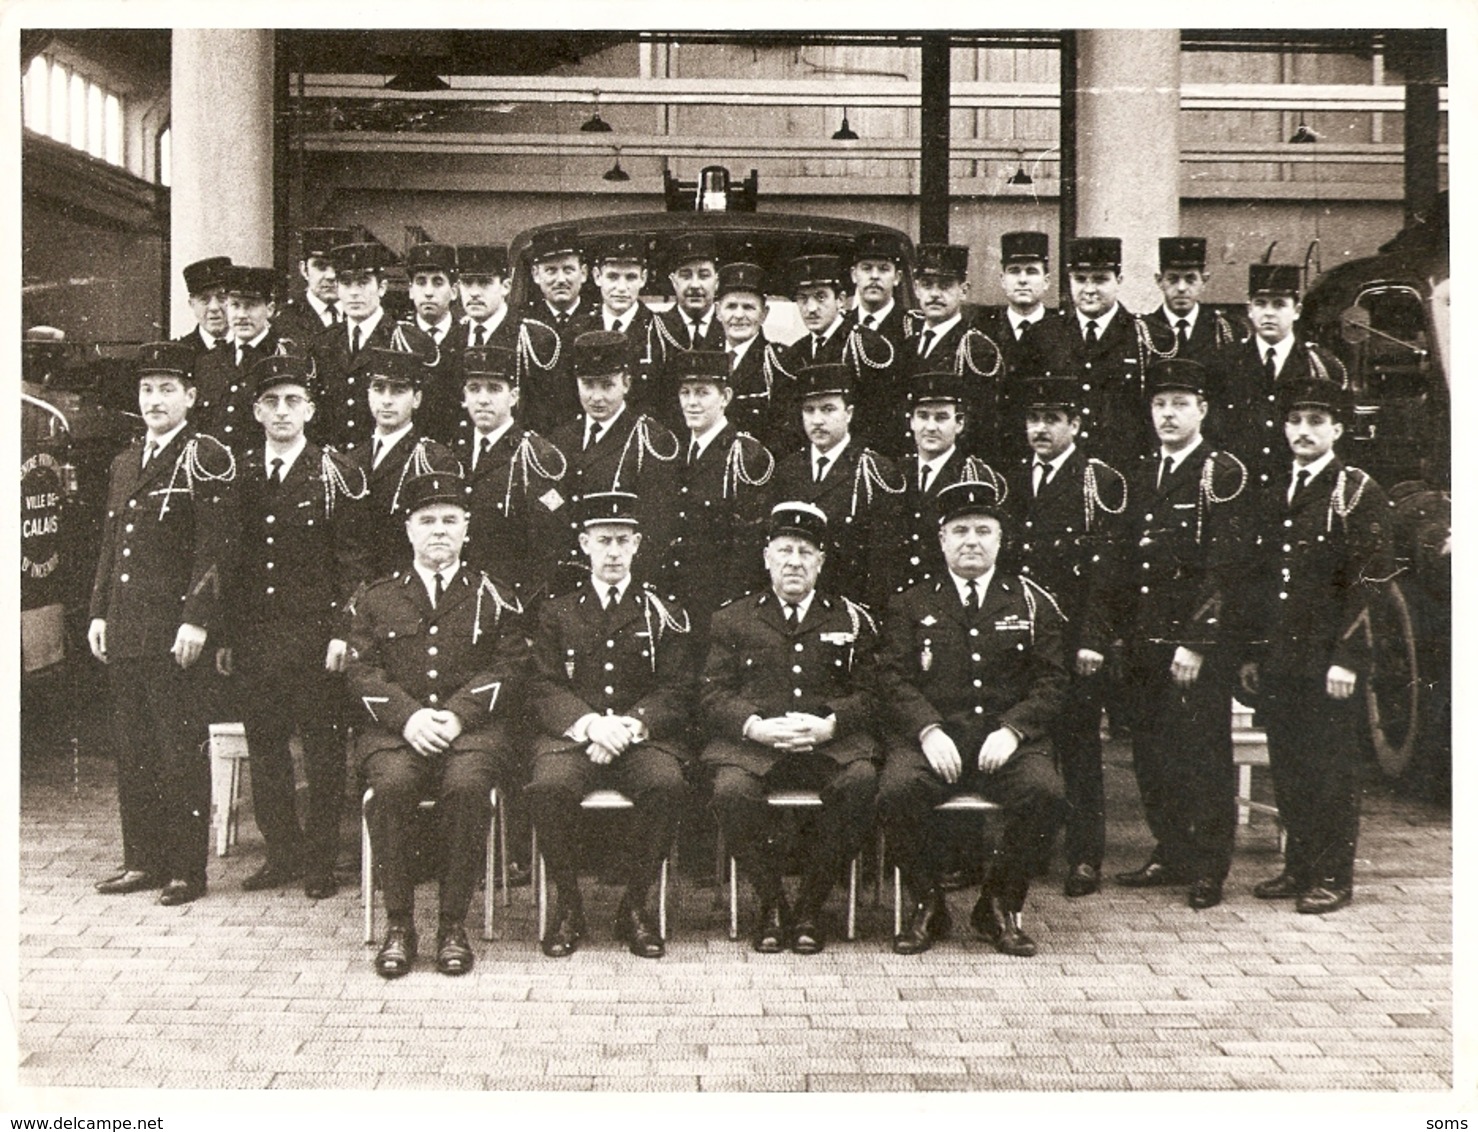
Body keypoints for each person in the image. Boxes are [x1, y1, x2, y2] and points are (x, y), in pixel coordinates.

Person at [346, 470, 529, 978]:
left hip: (469, 733)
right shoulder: (376, 597)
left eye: (450, 520)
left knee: (469, 787)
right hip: (394, 734)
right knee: (392, 787)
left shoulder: (494, 594)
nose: (439, 530)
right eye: (427, 521)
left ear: (467, 527)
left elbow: (509, 667)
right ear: (408, 530)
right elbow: (360, 671)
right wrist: (408, 718)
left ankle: (453, 925)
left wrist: (457, 715)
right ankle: (400, 925)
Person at [876, 479, 1067, 956]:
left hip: (1006, 742)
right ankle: (928, 902)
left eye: (983, 530)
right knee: (894, 791)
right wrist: (926, 729)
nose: (971, 541)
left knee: (1046, 793)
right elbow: (892, 679)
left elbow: (1054, 681)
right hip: (936, 740)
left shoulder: (1029, 601)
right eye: (959, 530)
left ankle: (998, 903)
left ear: (1000, 539)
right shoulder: (910, 603)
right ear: (942, 540)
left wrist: (1014, 729)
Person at [215, 352, 370, 899]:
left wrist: (342, 632)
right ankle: (281, 852)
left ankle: (321, 861)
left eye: (293, 402)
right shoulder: (241, 471)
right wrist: (229, 635)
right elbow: (230, 559)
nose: (282, 412)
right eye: (272, 402)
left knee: (324, 752)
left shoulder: (336, 472)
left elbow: (354, 563)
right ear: (257, 411)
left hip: (314, 639)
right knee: (266, 748)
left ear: (310, 408)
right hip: (256, 636)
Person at [88, 341, 237, 907]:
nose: (155, 400)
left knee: (178, 749)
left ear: (191, 397)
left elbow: (215, 549)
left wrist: (197, 621)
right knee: (133, 748)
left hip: (173, 630)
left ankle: (184, 870)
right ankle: (141, 860)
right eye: (147, 389)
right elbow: (110, 543)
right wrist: (99, 611)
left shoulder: (206, 456)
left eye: (167, 389)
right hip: (126, 626)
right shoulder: (127, 462)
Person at [1240, 378, 1395, 915]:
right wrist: (1255, 654)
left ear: (1337, 429)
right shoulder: (1277, 487)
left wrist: (1348, 658)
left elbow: (1371, 583)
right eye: (1295, 421)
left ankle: (1333, 876)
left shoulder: (1355, 490)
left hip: (1329, 662)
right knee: (1289, 765)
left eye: (1316, 422)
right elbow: (1264, 583)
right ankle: (1299, 866)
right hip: (1283, 658)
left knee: (1331, 770)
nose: (1303, 432)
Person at [701, 502, 881, 955]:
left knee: (860, 781)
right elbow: (711, 694)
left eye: (805, 552)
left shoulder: (852, 619)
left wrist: (831, 725)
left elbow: (873, 693)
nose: (794, 562)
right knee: (729, 791)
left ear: (821, 561)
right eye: (785, 550)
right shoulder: (733, 619)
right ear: (767, 557)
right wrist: (753, 726)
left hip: (828, 746)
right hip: (760, 746)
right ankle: (772, 903)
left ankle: (810, 906)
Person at [526, 491, 694, 959]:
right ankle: (569, 904)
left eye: (623, 540)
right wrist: (588, 726)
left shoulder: (663, 612)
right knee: (547, 788)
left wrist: (629, 726)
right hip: (575, 740)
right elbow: (542, 685)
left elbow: (678, 688)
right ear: (584, 544)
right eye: (604, 541)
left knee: (667, 784)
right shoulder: (555, 611)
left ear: (638, 544)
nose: (614, 551)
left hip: (638, 740)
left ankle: (635, 906)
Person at [1116, 359, 1254, 911]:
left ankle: (1208, 865)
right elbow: (1131, 562)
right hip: (1147, 641)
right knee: (1152, 753)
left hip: (1195, 646)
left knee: (1202, 753)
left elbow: (1228, 567)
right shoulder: (1143, 470)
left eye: (1179, 404)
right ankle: (1171, 849)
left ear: (1203, 410)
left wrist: (1197, 641)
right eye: (1159, 405)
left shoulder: (1221, 472)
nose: (1168, 414)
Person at [1004, 376, 1128, 896]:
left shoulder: (1096, 481)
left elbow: (1107, 573)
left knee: (1079, 750)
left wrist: (1094, 639)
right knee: (1027, 746)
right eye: (1034, 419)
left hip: (1076, 641)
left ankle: (1084, 857)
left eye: (1053, 420)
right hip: (1024, 638)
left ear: (1075, 425)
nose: (1041, 429)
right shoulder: (1011, 479)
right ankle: (1030, 850)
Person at [1018, 236, 1178, 471]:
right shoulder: (1043, 336)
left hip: (1127, 469)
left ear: (1119, 280)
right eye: (1080, 279)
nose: (1089, 289)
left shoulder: (1151, 337)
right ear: (1069, 280)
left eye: (1100, 280)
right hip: (1062, 470)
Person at [662, 347, 774, 658]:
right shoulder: (676, 452)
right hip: (678, 599)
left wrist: (730, 609)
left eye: (702, 392)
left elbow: (750, 546)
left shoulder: (746, 456)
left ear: (724, 397)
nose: (692, 402)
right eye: (685, 392)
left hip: (720, 606)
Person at [548, 330, 680, 592]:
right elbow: (553, 508)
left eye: (607, 385)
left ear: (626, 383)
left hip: (622, 580)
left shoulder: (650, 441)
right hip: (567, 581)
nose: (597, 397)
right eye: (588, 385)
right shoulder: (560, 438)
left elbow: (656, 524)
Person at [768, 364, 904, 611]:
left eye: (828, 409)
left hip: (848, 605)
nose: (817, 420)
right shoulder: (787, 470)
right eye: (809, 410)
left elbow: (883, 561)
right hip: (795, 606)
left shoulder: (876, 471)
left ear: (849, 413)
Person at [452, 344, 569, 612]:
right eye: (474, 388)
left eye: (494, 389)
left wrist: (522, 613)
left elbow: (550, 547)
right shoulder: (452, 452)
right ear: (464, 396)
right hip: (459, 605)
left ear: (513, 396)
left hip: (509, 606)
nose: (483, 399)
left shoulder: (537, 457)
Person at [1212, 264, 1349, 490]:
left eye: (1279, 304)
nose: (1269, 313)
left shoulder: (1322, 366)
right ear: (1249, 309)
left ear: (1297, 310)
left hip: (1295, 492)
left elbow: (1337, 441)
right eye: (1261, 303)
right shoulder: (1224, 364)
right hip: (1239, 492)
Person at [349, 347, 463, 581]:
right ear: (368, 394)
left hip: (406, 585)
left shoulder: (433, 459)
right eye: (379, 389)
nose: (387, 400)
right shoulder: (351, 459)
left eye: (398, 391)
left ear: (417, 399)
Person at [310, 242, 437, 452]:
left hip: (389, 461)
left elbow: (428, 415)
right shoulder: (324, 342)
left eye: (362, 283)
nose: (354, 293)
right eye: (346, 283)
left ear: (382, 287)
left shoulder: (410, 341)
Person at [896, 372, 1001, 592]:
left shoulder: (974, 476)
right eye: (923, 416)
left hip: (947, 598)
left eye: (941, 417)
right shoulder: (894, 474)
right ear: (911, 422)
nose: (931, 427)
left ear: (959, 423)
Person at [904, 244, 1005, 460]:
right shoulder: (907, 344)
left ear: (963, 290)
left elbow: (980, 427)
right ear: (916, 289)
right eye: (927, 285)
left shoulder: (976, 350)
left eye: (945, 286)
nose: (935, 294)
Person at [454, 243, 561, 438]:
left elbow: (547, 416)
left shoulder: (533, 339)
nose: (475, 292)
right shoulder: (454, 336)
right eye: (467, 283)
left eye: (485, 283)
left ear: (505, 287)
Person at [194, 265, 284, 450]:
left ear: (270, 309)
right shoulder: (208, 361)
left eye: (251, 306)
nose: (242, 315)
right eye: (235, 305)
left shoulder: (283, 358)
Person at [569, 235, 657, 411]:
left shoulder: (661, 332)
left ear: (643, 278)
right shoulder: (576, 330)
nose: (621, 287)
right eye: (613, 277)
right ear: (597, 276)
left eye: (631, 277)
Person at [522, 225, 589, 431]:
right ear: (535, 274)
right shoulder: (522, 323)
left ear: (584, 273)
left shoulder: (599, 322)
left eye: (568, 270)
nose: (561, 280)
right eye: (551, 270)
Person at [714, 261, 786, 451]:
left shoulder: (779, 363)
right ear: (717, 312)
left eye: (748, 307)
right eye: (731, 306)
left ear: (764, 314)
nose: (738, 315)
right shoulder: (705, 358)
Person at [1144, 237, 1240, 365]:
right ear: (1159, 281)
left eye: (1190, 279)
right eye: (1173, 279)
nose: (1181, 288)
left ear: (1204, 281)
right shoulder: (1144, 331)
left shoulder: (1225, 331)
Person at [405, 242, 466, 444]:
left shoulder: (469, 339)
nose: (429, 292)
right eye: (421, 282)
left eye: (438, 282)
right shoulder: (399, 339)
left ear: (454, 291)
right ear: (411, 290)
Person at [273, 226, 356, 343]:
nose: (331, 275)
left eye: (338, 266)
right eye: (320, 266)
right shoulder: (283, 321)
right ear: (304, 270)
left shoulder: (362, 315)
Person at [174, 256, 234, 357]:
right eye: (204, 300)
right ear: (192, 304)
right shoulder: (178, 354)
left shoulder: (253, 349)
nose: (214, 307)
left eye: (222, 298)